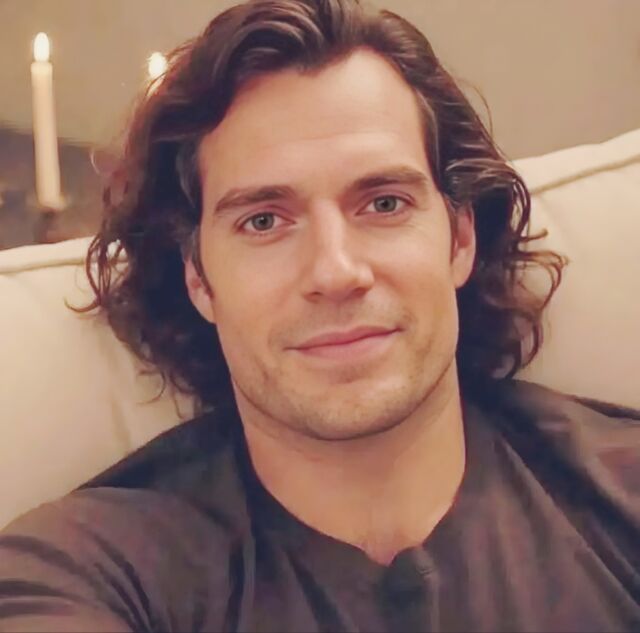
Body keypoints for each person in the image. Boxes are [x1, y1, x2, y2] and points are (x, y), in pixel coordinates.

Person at [1, 0, 639, 631]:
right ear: (198, 278)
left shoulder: (620, 492)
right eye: (264, 221)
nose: (335, 272)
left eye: (384, 204)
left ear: (460, 239)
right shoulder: (84, 572)